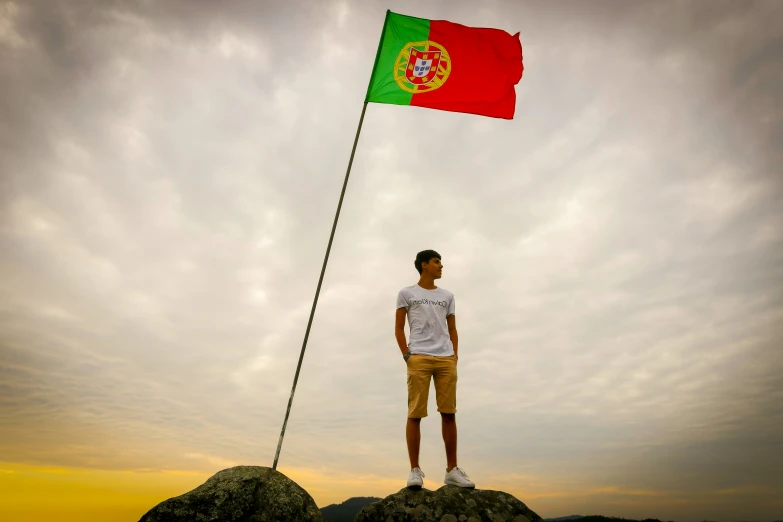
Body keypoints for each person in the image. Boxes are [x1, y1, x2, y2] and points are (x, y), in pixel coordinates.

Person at [395, 249, 475, 489]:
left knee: (449, 412)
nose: (441, 266)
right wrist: (407, 355)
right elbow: (399, 328)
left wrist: (455, 355)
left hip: (445, 359)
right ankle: (415, 471)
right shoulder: (406, 293)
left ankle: (452, 470)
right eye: (437, 262)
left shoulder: (447, 295)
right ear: (424, 265)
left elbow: (452, 329)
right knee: (415, 413)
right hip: (418, 357)